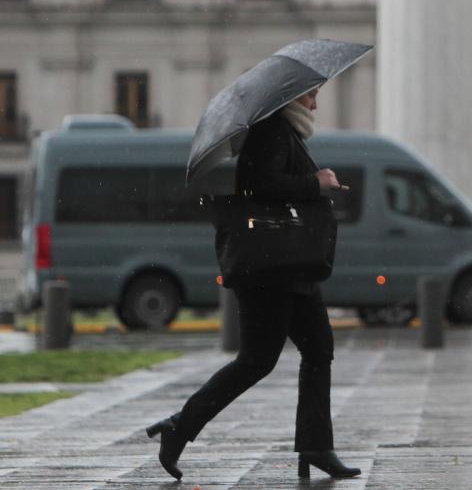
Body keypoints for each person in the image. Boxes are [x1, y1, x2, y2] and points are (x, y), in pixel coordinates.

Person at [145, 88, 361, 481]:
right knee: (257, 360)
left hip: (291, 268)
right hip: (270, 270)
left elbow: (275, 185)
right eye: (310, 96)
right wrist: (316, 182)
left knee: (318, 349)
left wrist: (313, 182)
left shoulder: (283, 133)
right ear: (292, 98)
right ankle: (179, 426)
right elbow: (264, 186)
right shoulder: (271, 132)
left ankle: (316, 446)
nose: (315, 103)